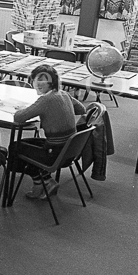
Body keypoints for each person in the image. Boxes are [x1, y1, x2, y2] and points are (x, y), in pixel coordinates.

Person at [12, 65, 86, 199]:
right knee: (24, 145)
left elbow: (18, 117)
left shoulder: (45, 100)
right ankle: (44, 179)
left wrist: (26, 108)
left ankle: (42, 181)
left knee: (15, 148)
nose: (38, 84)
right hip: (70, 150)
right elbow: (81, 109)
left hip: (54, 153)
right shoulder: (63, 93)